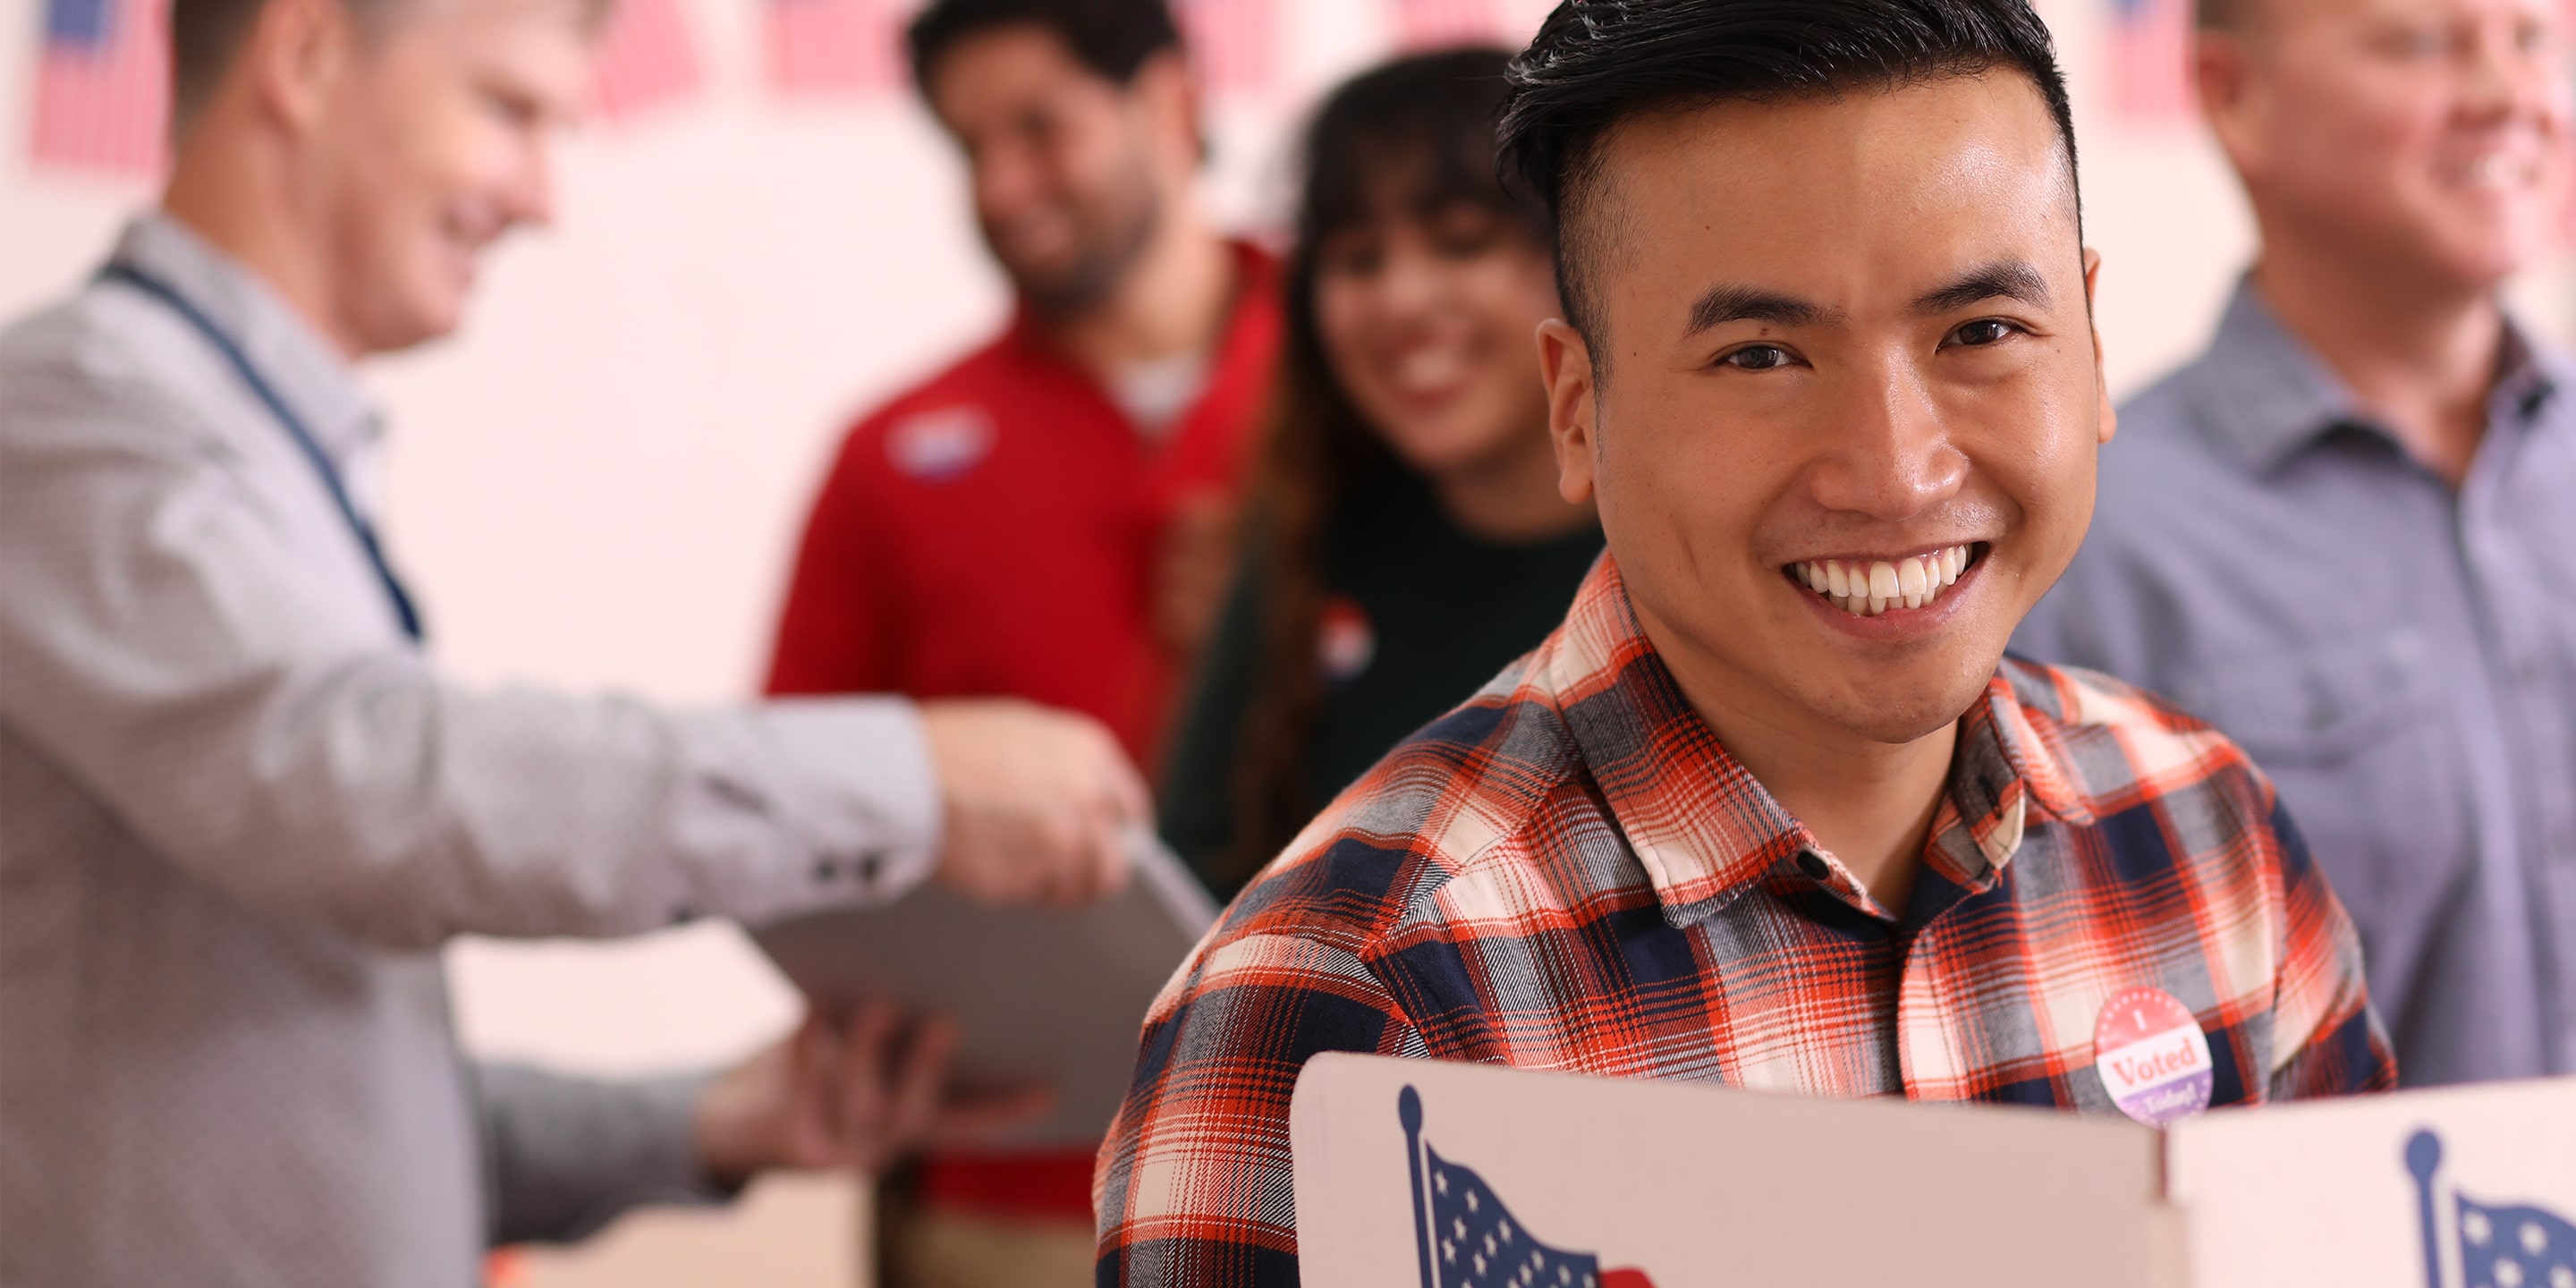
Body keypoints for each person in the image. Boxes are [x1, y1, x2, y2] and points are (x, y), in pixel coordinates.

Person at [1094, 0, 2400, 1279]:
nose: (1895, 470)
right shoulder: (1345, 1017)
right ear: (1576, 411)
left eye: (1983, 333)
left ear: (2094, 345)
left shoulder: (2206, 839)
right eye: (1763, 356)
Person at [0, 0, 1155, 1280]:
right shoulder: (70, 418)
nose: (544, 197)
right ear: (308, 56)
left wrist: (715, 1123)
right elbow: (372, 790)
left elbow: (302, 1113)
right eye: (507, 110)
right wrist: (913, 780)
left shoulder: (247, 452)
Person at [761, 0, 1280, 1278]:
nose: (1003, 187)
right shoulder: (894, 457)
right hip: (1019, 1192)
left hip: (1342, 1164)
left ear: (1167, 104)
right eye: (970, 144)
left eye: (1041, 129)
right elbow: (780, 802)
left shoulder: (1393, 378)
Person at [2012, 0, 2573, 1086]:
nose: (2510, 96)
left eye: (2536, 39)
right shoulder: (2098, 544)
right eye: (2424, 42)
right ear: (2234, 96)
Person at [1159, 47, 1603, 902]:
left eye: (1462, 242)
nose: (1400, 298)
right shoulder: (1305, 537)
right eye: (1359, 258)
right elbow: (1187, 884)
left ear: (1589, 261)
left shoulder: (1687, 550)